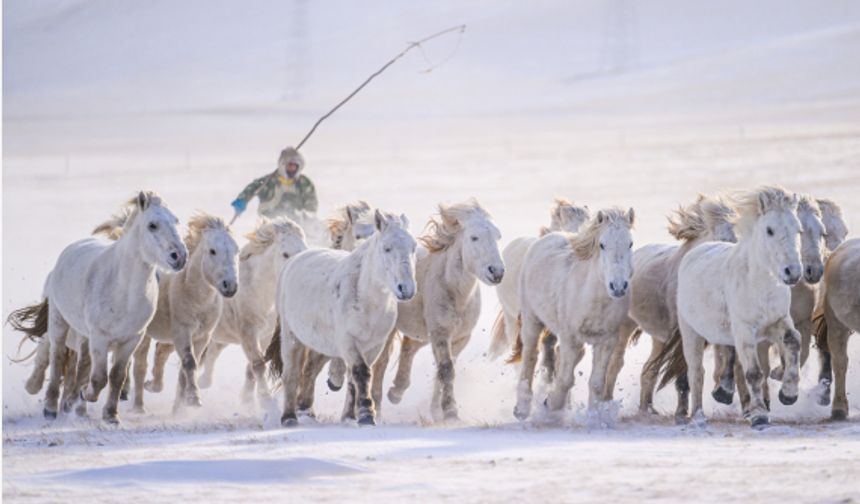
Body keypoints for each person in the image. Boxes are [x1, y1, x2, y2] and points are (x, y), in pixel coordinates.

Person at [231, 147, 318, 219]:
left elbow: (311, 205)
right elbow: (252, 188)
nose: (292, 168)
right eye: (289, 165)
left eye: (294, 166)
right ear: (283, 165)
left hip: (297, 226)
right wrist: (242, 200)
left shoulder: (304, 184)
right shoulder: (268, 182)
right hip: (269, 225)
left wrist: (307, 218)